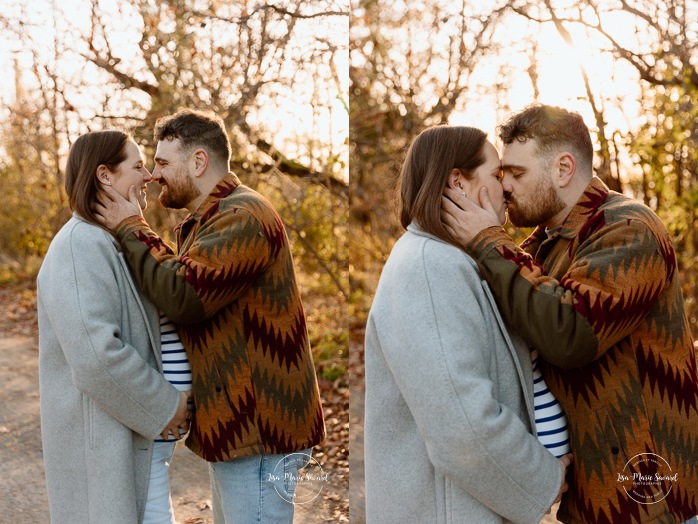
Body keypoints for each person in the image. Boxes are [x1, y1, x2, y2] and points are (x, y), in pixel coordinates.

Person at [441, 104, 698, 523]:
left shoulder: (630, 228)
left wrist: (487, 240)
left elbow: (571, 332)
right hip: (594, 501)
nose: (504, 186)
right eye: (502, 173)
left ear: (563, 169)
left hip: (655, 502)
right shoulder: (544, 245)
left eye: (516, 173)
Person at [94, 109, 325, 523]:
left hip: (260, 430)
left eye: (163, 163)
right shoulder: (210, 221)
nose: (153, 176)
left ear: (198, 162)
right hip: (242, 430)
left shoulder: (243, 216)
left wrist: (132, 226)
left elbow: (184, 294)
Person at [364, 125, 572, 524]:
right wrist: (543, 478)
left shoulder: (454, 260)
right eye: (496, 175)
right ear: (458, 182)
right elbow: (462, 427)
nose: (506, 188)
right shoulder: (428, 268)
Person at [37, 130, 191, 523]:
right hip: (112, 446)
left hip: (142, 442)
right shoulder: (79, 246)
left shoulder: (113, 240)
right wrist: (167, 405)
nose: (149, 177)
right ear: (105, 176)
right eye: (138, 166)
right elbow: (96, 358)